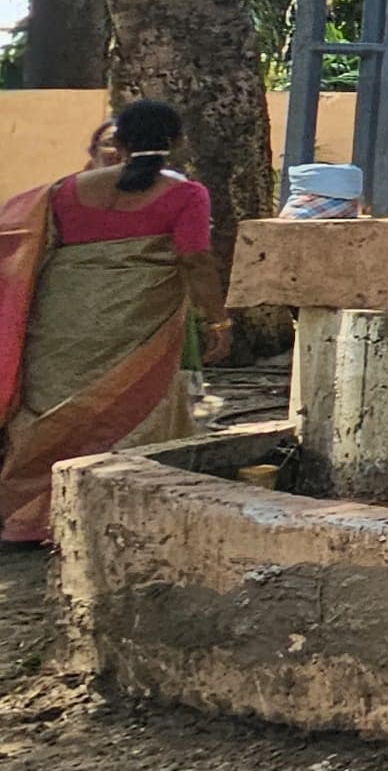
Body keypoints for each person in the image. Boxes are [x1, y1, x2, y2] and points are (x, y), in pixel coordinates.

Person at [0, 100, 228, 545]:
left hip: (61, 317)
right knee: (132, 402)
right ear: (176, 141)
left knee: (50, 406)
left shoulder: (62, 191)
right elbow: (195, 259)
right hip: (137, 318)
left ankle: (24, 516)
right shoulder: (187, 194)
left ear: (117, 142)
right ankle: (114, 515)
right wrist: (217, 321)